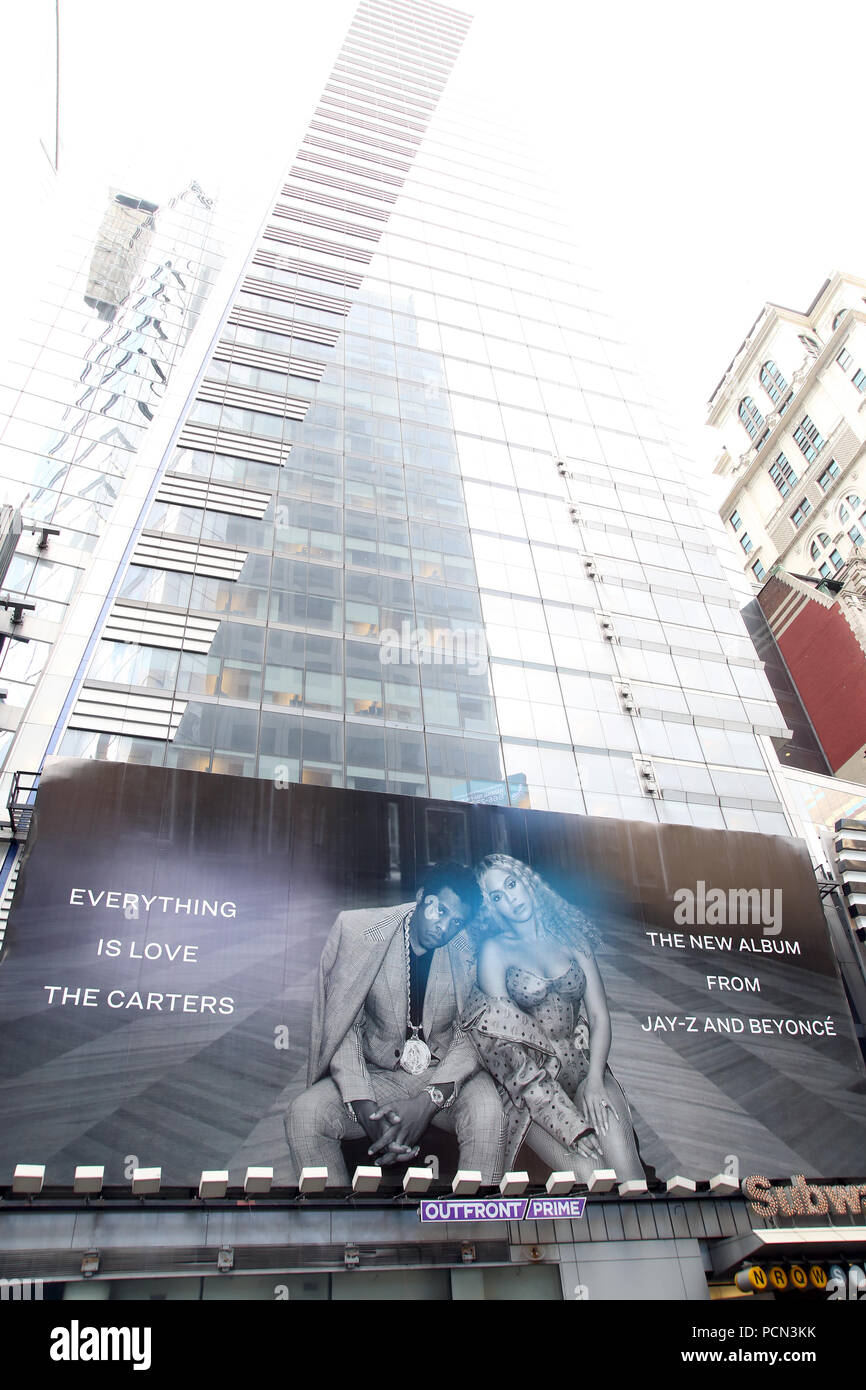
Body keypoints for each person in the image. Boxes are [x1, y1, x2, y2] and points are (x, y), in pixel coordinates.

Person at [286, 862, 506, 1185]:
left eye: (456, 921)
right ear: (421, 897)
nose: (444, 927)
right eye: (439, 910)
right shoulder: (358, 931)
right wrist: (365, 1110)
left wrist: (429, 1100)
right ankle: (336, 1229)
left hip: (444, 1074)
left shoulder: (470, 948)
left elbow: (472, 1034)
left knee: (490, 1113)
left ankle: (472, 1225)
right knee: (304, 1115)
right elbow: (343, 1028)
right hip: (375, 1075)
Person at [463, 853, 644, 1183]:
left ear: (527, 881)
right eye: (497, 897)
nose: (510, 900)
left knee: (629, 1174)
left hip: (587, 1071)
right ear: (491, 906)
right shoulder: (494, 951)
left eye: (512, 884)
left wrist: (595, 1080)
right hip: (534, 1095)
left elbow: (600, 1016)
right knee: (593, 1173)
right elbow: (507, 1051)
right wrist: (569, 1125)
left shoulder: (571, 936)